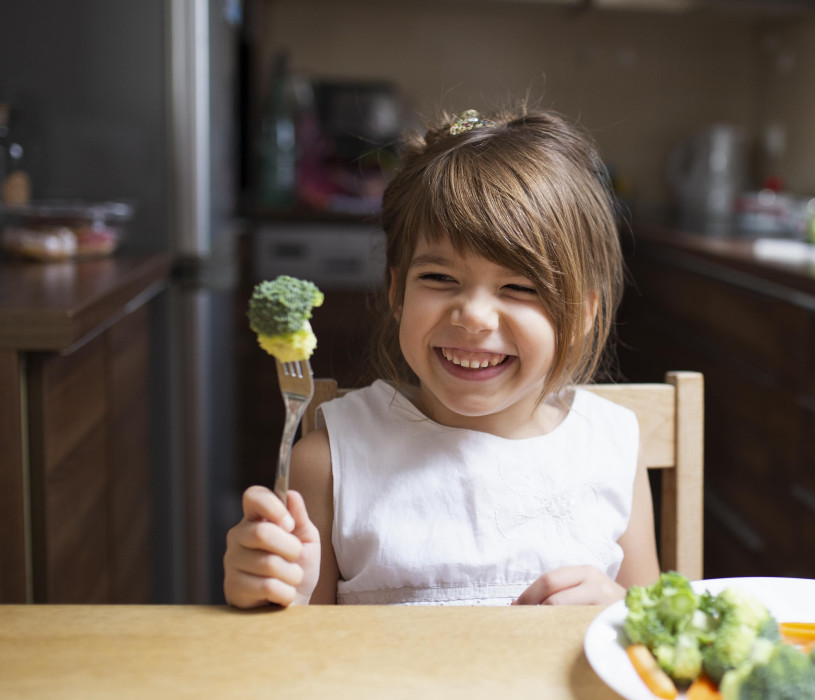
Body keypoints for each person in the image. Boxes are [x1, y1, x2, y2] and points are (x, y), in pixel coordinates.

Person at [223, 107, 660, 608]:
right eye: (439, 278)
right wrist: (267, 592)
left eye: (518, 287)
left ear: (583, 313)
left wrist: (618, 610)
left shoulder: (611, 448)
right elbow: (291, 656)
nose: (473, 316)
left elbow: (655, 640)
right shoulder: (328, 462)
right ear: (397, 293)